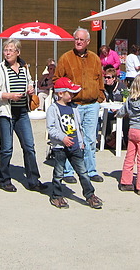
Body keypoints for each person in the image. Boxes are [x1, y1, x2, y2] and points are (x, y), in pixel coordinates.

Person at [0, 39, 47, 193]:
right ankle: (4, 180)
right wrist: (9, 96)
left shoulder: (24, 68)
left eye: (10, 50)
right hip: (5, 113)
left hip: (21, 112)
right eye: (6, 50)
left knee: (29, 146)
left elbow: (29, 83)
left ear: (18, 53)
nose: (7, 53)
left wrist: (30, 89)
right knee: (7, 148)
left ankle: (34, 180)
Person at [54, 27, 105, 184]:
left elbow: (100, 78)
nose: (78, 41)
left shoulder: (95, 59)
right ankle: (68, 171)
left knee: (90, 139)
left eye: (81, 39)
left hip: (91, 104)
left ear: (88, 41)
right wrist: (64, 97)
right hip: (73, 105)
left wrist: (100, 95)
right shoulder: (66, 58)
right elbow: (57, 79)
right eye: (76, 38)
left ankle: (91, 170)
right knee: (71, 138)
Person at [45, 77, 103, 209]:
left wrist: (81, 142)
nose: (72, 95)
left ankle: (90, 195)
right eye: (70, 93)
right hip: (60, 147)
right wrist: (62, 137)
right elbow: (51, 128)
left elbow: (78, 126)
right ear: (60, 93)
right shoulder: (53, 109)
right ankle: (57, 196)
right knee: (59, 173)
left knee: (83, 172)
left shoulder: (74, 108)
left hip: (75, 147)